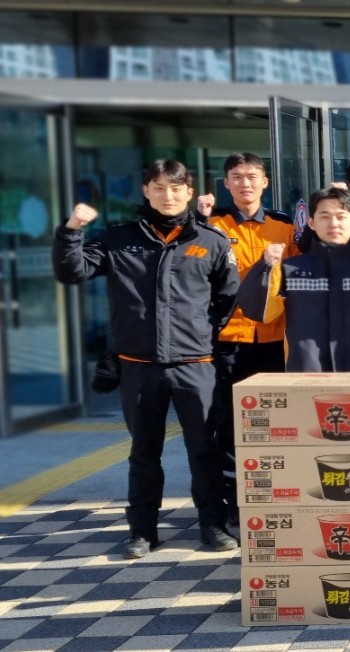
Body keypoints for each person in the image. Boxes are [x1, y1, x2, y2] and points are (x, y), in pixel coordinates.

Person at [52, 159, 239, 558]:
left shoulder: (212, 241)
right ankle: (142, 531)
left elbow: (226, 299)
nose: (168, 196)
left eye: (176, 188)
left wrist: (199, 334)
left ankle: (213, 525)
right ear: (146, 191)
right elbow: (72, 271)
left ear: (189, 192)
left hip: (195, 365)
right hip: (138, 366)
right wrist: (72, 230)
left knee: (203, 450)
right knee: (143, 452)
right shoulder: (118, 239)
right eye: (159, 187)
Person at [200, 152, 295, 519]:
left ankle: (273, 492)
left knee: (275, 423)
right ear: (226, 183)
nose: (245, 183)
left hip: (274, 340)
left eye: (252, 176)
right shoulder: (214, 224)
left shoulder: (283, 225)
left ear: (265, 182)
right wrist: (198, 219)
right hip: (227, 339)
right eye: (237, 177)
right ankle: (232, 502)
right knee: (227, 422)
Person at [238, 187, 350, 372]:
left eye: (341, 217)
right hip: (305, 372)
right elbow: (258, 311)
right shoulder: (290, 269)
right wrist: (265, 266)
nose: (333, 223)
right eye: (324, 216)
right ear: (311, 223)